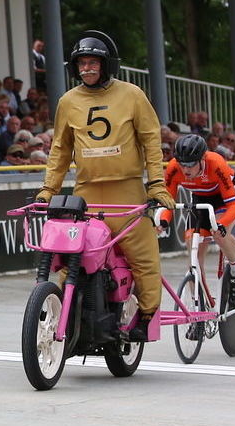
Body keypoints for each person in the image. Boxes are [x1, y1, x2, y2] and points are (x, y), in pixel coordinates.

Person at [36, 30, 172, 342]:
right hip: (86, 192)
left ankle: (148, 314)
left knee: (143, 253)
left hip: (126, 191)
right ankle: (69, 313)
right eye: (82, 63)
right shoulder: (68, 102)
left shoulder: (133, 95)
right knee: (73, 257)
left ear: (106, 64)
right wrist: (49, 188)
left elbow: (151, 141)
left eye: (93, 62)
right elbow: (60, 149)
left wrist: (156, 184)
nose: (87, 68)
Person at [161, 134, 235, 289]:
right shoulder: (173, 168)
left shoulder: (216, 163)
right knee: (192, 246)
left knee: (219, 235)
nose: (186, 169)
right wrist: (163, 221)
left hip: (224, 196)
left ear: (202, 159)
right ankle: (200, 301)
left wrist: (221, 224)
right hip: (201, 197)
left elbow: (233, 206)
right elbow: (169, 201)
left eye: (190, 164)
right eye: (182, 164)